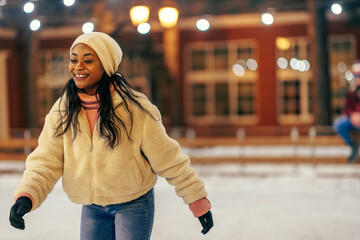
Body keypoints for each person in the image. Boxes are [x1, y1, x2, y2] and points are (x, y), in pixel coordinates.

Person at [9, 32, 213, 239]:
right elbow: (46, 159)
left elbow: (168, 158)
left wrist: (196, 199)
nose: (78, 66)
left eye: (88, 61)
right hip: (92, 206)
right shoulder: (63, 109)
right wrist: (27, 195)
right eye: (73, 60)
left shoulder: (135, 109)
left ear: (106, 65)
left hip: (133, 203)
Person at [333, 60, 360, 163]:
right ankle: (353, 146)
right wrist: (352, 115)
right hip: (353, 120)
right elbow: (346, 108)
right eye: (356, 76)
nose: (358, 79)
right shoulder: (351, 91)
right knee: (338, 124)